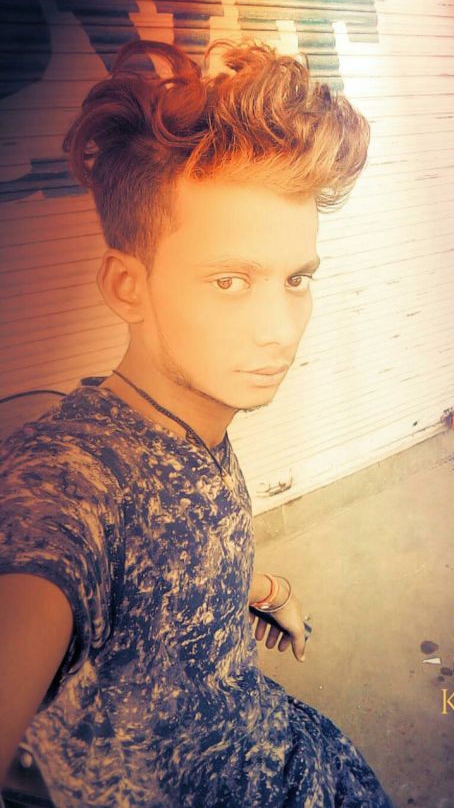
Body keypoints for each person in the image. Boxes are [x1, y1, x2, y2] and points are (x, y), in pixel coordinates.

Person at [0, 39, 394, 807]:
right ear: (128, 285)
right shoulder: (75, 479)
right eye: (229, 280)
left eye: (296, 279)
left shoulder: (192, 420)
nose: (279, 329)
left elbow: (178, 553)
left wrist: (258, 588)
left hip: (299, 755)